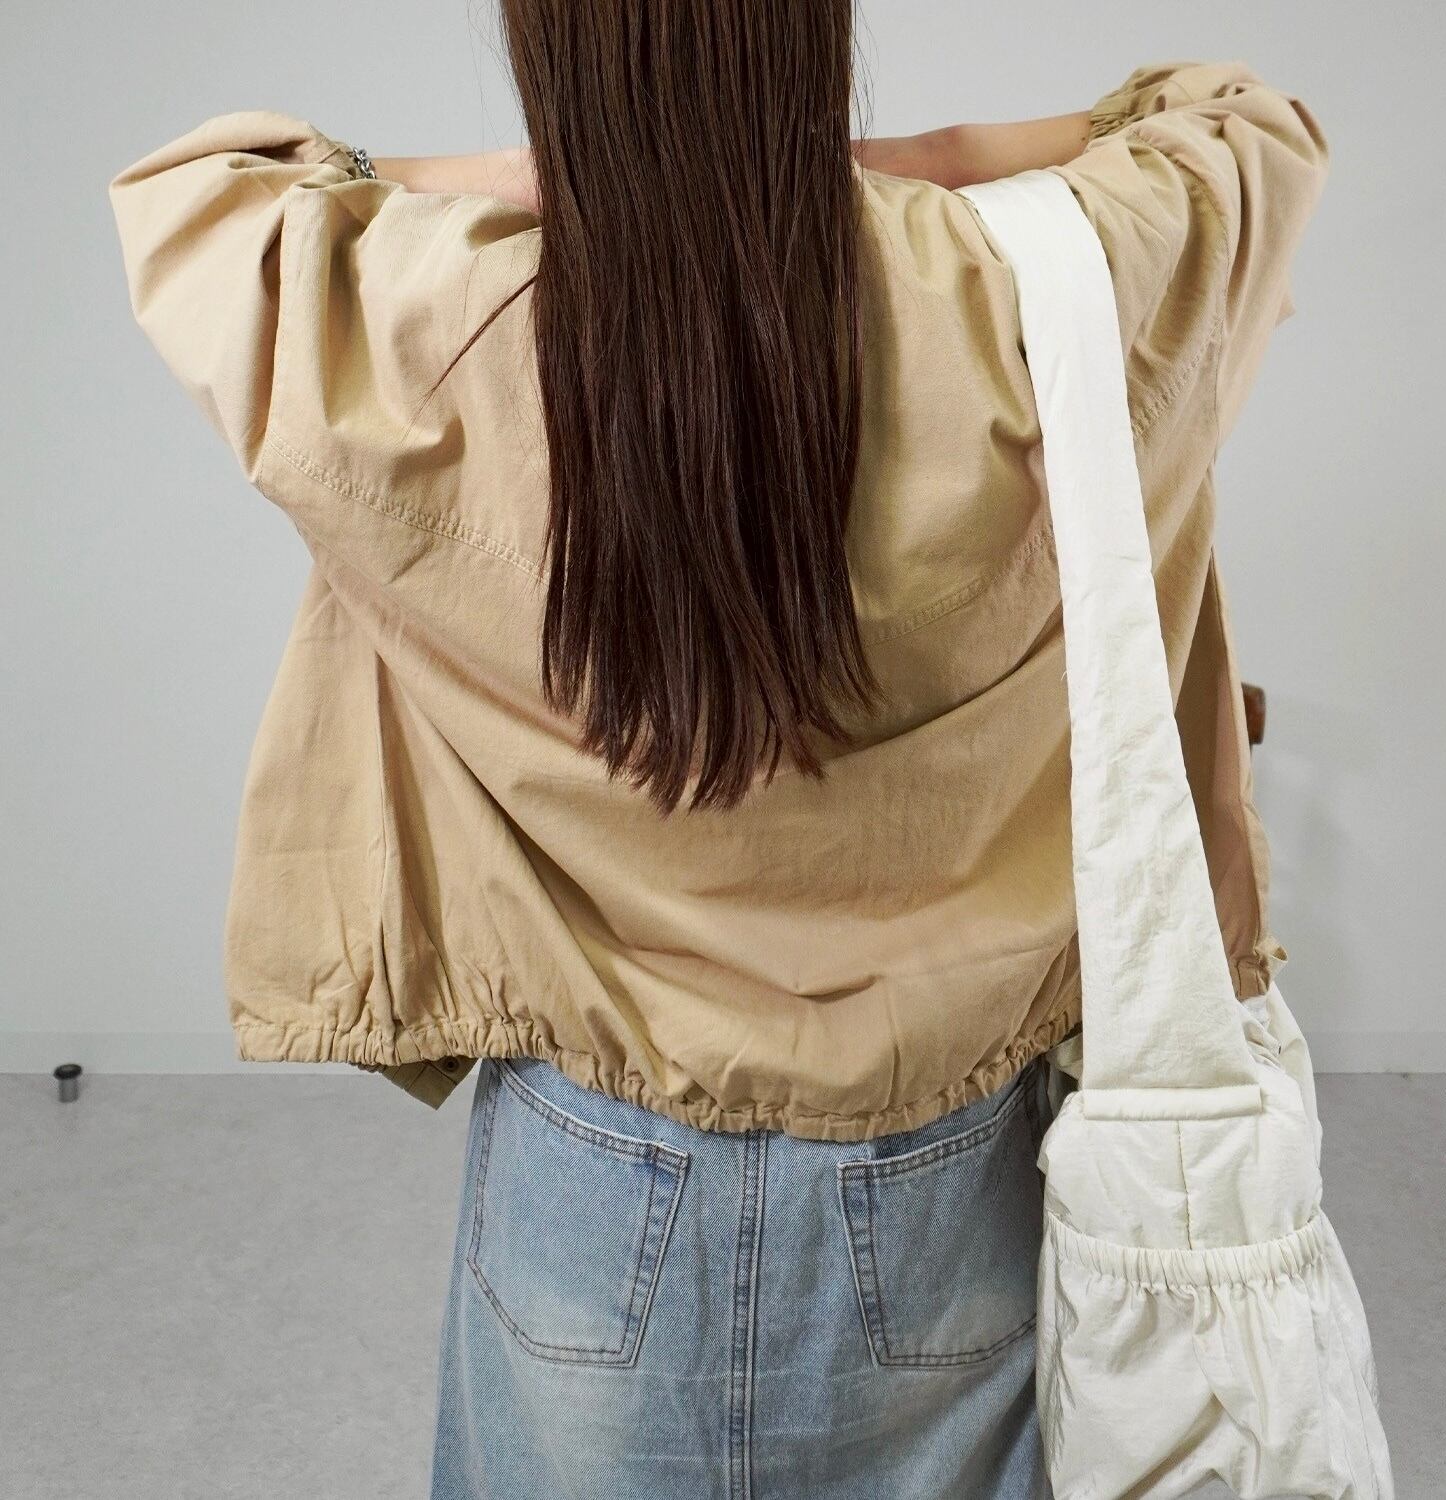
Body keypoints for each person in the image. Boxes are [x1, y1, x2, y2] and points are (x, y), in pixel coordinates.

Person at [107, 2, 1327, 1493]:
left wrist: (586, 174)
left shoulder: (424, 317)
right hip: (955, 1168)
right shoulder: (1042, 287)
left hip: (586, 1167)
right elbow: (1241, 125)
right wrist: (892, 160)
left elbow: (202, 194)